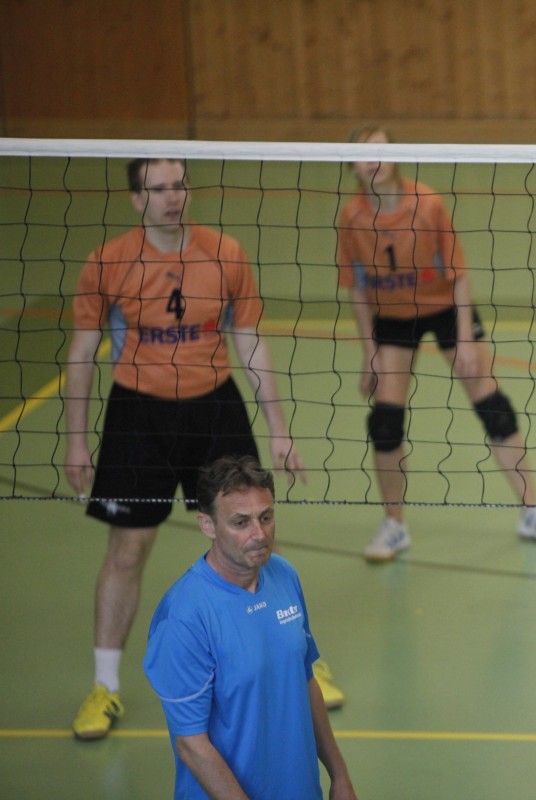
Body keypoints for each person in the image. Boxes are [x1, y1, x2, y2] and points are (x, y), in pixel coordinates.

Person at [63, 158, 341, 740]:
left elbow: (250, 341)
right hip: (138, 414)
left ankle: (299, 658)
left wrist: (280, 429)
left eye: (179, 185)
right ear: (137, 199)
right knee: (128, 549)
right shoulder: (108, 262)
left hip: (215, 407)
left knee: (253, 535)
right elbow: (82, 352)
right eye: (158, 188)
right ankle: (104, 685)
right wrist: (77, 440)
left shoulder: (225, 254)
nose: (172, 197)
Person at [338, 124, 536, 560]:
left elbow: (459, 273)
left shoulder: (427, 204)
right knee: (384, 421)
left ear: (397, 156)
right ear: (350, 164)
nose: (374, 161)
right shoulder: (351, 217)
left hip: (445, 307)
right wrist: (369, 352)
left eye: (381, 151)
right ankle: (394, 525)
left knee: (493, 404)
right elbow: (356, 287)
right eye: (364, 154)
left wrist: (464, 339)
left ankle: (533, 510)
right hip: (392, 316)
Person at [143, 456, 357, 799]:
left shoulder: (284, 574)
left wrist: (340, 775)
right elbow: (192, 745)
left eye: (266, 517)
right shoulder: (184, 616)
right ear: (207, 525)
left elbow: (305, 681)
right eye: (240, 522)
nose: (259, 534)